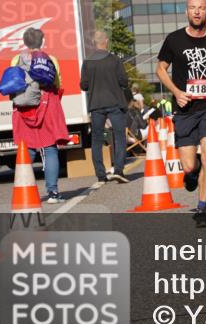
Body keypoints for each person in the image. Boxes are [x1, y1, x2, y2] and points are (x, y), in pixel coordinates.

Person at [156, 0, 206, 226]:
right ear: (186, 12)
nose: (197, 12)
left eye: (201, 8)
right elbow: (160, 69)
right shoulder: (174, 40)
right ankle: (193, 173)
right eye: (193, 8)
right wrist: (176, 92)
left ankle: (202, 209)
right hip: (184, 109)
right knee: (190, 166)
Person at [10, 27, 68, 204]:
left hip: (23, 108)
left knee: (26, 149)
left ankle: (25, 192)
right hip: (46, 104)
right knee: (49, 148)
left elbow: (13, 82)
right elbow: (57, 82)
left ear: (25, 42)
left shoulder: (16, 59)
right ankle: (52, 193)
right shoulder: (51, 59)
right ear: (42, 42)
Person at [79, 30, 130, 184]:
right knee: (120, 136)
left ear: (94, 42)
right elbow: (124, 82)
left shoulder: (87, 62)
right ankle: (119, 170)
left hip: (96, 104)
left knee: (97, 139)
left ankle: (101, 174)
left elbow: (84, 85)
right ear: (106, 41)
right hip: (115, 102)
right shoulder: (115, 60)